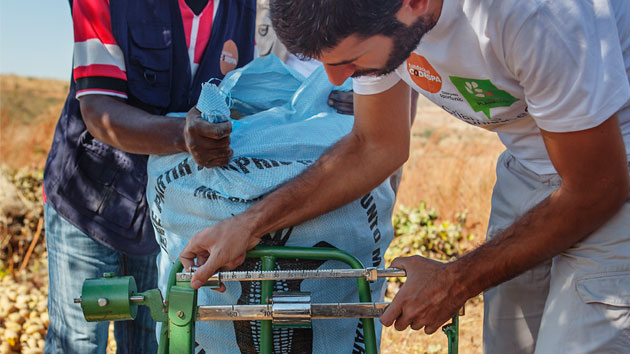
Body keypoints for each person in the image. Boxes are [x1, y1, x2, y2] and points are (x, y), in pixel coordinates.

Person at [180, 0, 630, 353]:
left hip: (613, 169)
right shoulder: (380, 16)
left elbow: (598, 186)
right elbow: (375, 145)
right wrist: (248, 224)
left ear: (413, 2)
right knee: (510, 342)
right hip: (531, 164)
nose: (335, 78)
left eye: (351, 59)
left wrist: (456, 280)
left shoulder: (533, 14)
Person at [43, 0, 255, 352]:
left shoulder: (243, 9)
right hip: (87, 202)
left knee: (150, 338)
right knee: (78, 343)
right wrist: (183, 136)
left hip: (166, 216)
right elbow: (98, 111)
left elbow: (238, 99)